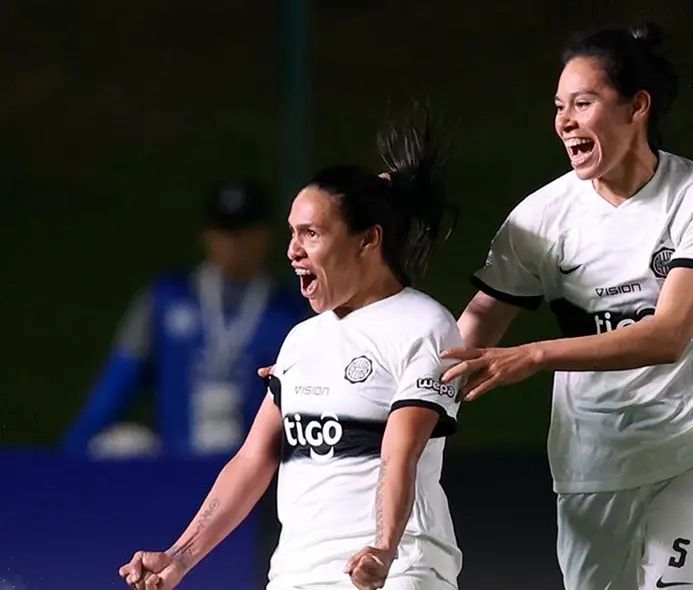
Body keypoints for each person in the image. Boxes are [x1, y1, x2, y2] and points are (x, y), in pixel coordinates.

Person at [440, 23, 693, 590]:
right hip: (594, 462)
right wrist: (378, 366)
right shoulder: (540, 218)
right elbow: (470, 332)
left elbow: (667, 336)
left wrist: (537, 354)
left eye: (583, 103)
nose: (564, 121)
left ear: (636, 106)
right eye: (559, 107)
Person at [118, 108, 464, 590]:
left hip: (396, 571)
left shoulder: (424, 325)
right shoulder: (303, 339)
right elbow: (253, 459)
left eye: (312, 234)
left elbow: (400, 450)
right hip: (297, 576)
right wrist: (179, 557)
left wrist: (384, 549)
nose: (292, 250)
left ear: (368, 240)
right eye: (291, 233)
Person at [63, 181, 308, 458]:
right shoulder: (164, 301)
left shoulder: (292, 313)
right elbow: (115, 386)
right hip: (178, 473)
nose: (234, 243)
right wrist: (69, 458)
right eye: (224, 231)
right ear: (206, 235)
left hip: (261, 478)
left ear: (266, 235)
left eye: (245, 231)